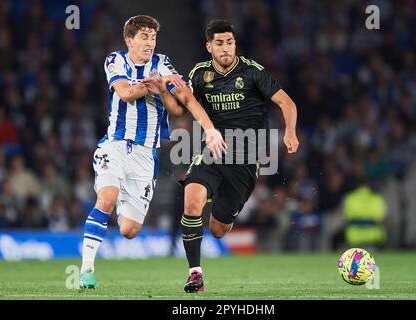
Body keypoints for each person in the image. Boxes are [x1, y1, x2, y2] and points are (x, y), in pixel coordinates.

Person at [79, 15, 226, 289]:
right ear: (129, 40)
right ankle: (86, 269)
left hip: (146, 155)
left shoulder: (163, 63)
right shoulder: (116, 60)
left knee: (129, 230)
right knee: (106, 198)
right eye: (144, 37)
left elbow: (179, 107)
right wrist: (154, 84)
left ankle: (122, 195)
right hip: (116, 144)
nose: (149, 43)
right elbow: (124, 93)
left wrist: (206, 126)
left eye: (153, 37)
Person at [177, 20, 300, 292]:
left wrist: (289, 131)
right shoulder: (199, 74)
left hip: (246, 158)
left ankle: (218, 198)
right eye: (219, 43)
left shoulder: (253, 72)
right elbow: (185, 102)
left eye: (229, 42)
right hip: (213, 149)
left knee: (219, 229)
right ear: (209, 46)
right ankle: (194, 273)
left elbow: (286, 102)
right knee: (192, 199)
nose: (226, 48)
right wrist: (166, 92)